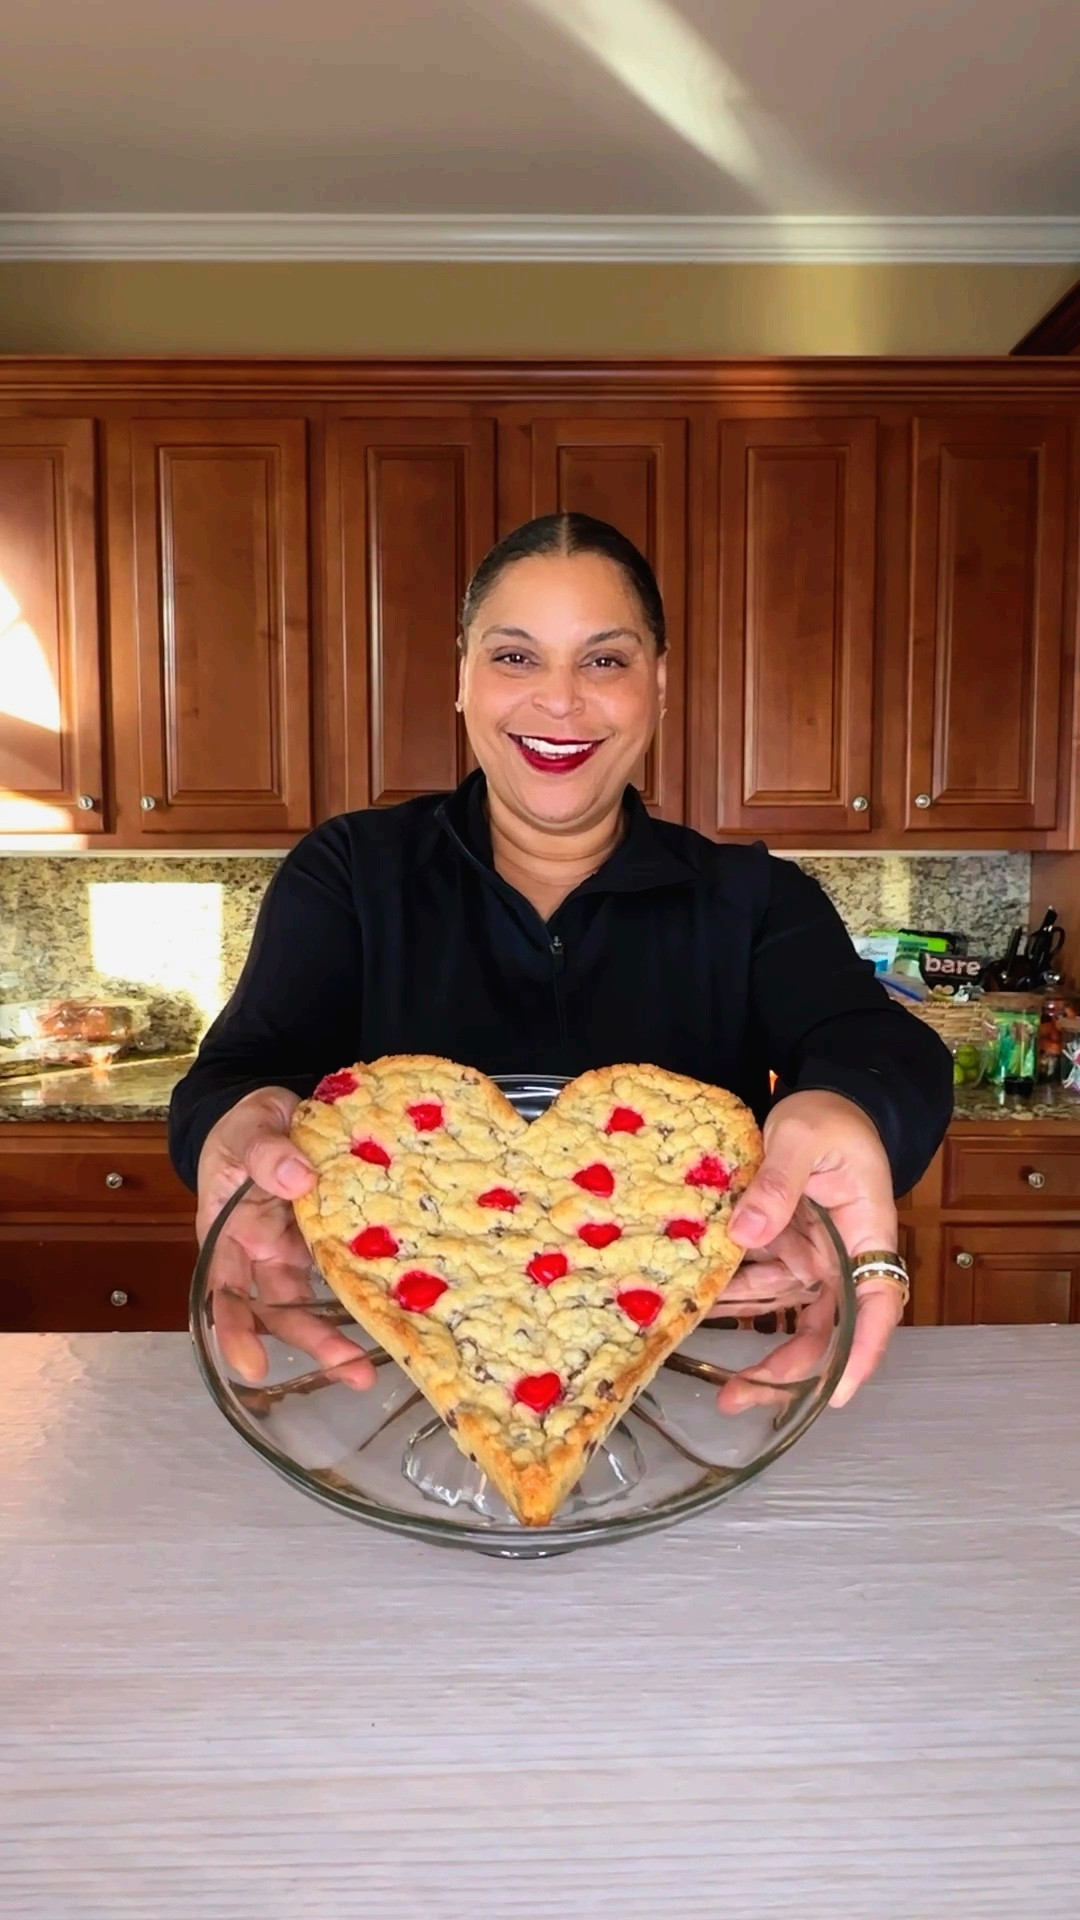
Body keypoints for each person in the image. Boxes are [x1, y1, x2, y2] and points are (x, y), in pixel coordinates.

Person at [170, 512, 952, 1411]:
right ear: (460, 677)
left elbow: (884, 1050)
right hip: (396, 1373)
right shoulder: (352, 871)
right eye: (514, 657)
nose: (560, 700)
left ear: (659, 684)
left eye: (605, 660)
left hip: (692, 1373)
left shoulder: (752, 898)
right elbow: (235, 1079)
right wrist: (238, 1121)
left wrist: (846, 1107)